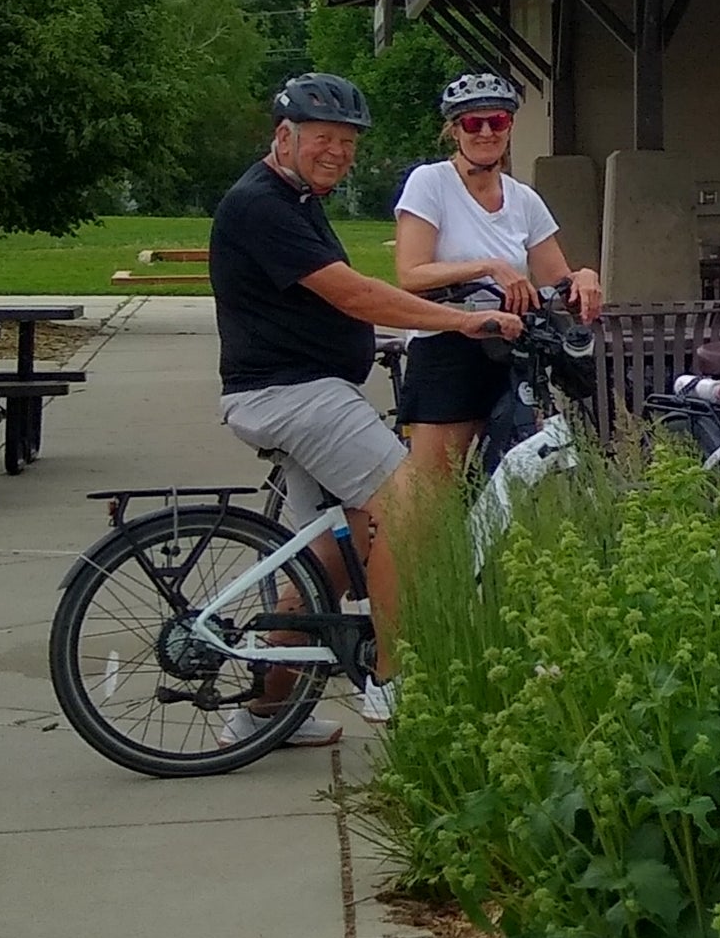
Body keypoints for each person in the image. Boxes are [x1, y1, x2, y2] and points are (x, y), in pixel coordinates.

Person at [208, 73, 515, 736]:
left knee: (334, 552)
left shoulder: (296, 199)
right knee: (411, 508)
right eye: (324, 139)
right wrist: (460, 322)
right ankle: (394, 681)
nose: (337, 154)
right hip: (296, 397)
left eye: (347, 144)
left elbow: (319, 304)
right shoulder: (261, 204)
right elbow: (354, 294)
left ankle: (266, 710)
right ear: (284, 137)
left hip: (299, 392)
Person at [389, 72, 602, 517]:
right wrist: (488, 266)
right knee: (432, 486)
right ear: (454, 129)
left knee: (504, 477)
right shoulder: (431, 183)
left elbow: (555, 280)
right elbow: (411, 273)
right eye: (472, 124)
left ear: (509, 127)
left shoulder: (523, 198)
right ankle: (407, 576)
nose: (486, 132)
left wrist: (583, 277)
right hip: (447, 344)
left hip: (508, 349)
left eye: (497, 121)